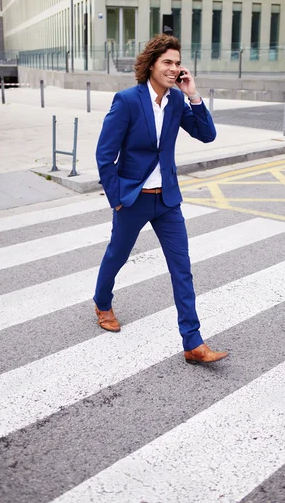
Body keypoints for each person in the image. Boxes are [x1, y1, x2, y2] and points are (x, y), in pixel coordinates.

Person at [94, 34, 228, 365]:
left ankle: (193, 342)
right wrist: (117, 199)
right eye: (167, 62)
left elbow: (207, 135)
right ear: (151, 65)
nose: (174, 68)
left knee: (182, 268)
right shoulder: (126, 101)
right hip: (134, 199)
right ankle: (102, 301)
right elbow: (104, 155)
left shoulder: (178, 103)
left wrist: (193, 95)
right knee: (118, 255)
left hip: (167, 200)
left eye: (177, 63)